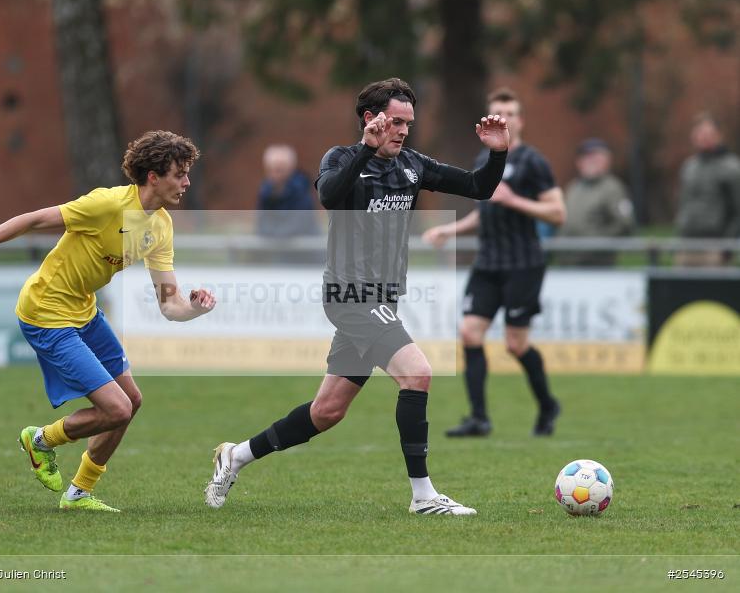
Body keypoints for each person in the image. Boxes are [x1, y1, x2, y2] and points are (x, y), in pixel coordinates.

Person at [205, 77, 509, 516]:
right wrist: (366, 150)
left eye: (409, 123)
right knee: (418, 373)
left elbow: (479, 187)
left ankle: (235, 456)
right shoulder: (343, 158)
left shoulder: (412, 164)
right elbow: (329, 195)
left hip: (382, 300)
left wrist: (498, 151)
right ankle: (423, 497)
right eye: (397, 122)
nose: (404, 131)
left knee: (326, 412)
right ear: (372, 119)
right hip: (350, 296)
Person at [0, 131, 216, 512]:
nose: (187, 182)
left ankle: (78, 493)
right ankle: (40, 440)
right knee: (117, 409)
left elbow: (169, 304)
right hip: (45, 312)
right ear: (153, 177)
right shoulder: (107, 204)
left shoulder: (160, 227)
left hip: (83, 310)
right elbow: (31, 220)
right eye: (180, 174)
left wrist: (194, 307)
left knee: (131, 401)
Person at [422, 87, 565, 438]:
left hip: (523, 263)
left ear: (521, 120)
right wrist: (451, 230)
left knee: (515, 344)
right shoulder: (482, 160)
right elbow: (484, 213)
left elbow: (557, 213)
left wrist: (515, 199)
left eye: (511, 113)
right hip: (488, 263)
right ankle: (479, 418)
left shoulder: (534, 162)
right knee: (469, 333)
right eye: (498, 113)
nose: (505, 118)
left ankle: (547, 405)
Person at [674, 113, 740, 267]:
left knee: (712, 291)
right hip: (686, 245)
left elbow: (738, 212)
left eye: (707, 133)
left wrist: (727, 247)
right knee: (681, 290)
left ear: (718, 135)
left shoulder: (731, 167)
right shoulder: (689, 166)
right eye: (699, 133)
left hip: (714, 247)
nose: (702, 137)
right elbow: (683, 204)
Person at [559, 138, 634, 266]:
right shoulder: (573, 187)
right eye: (586, 157)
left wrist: (597, 244)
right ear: (579, 162)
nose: (591, 162)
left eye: (596, 157)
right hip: (568, 263)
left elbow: (625, 224)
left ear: (607, 161)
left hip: (597, 265)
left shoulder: (612, 188)